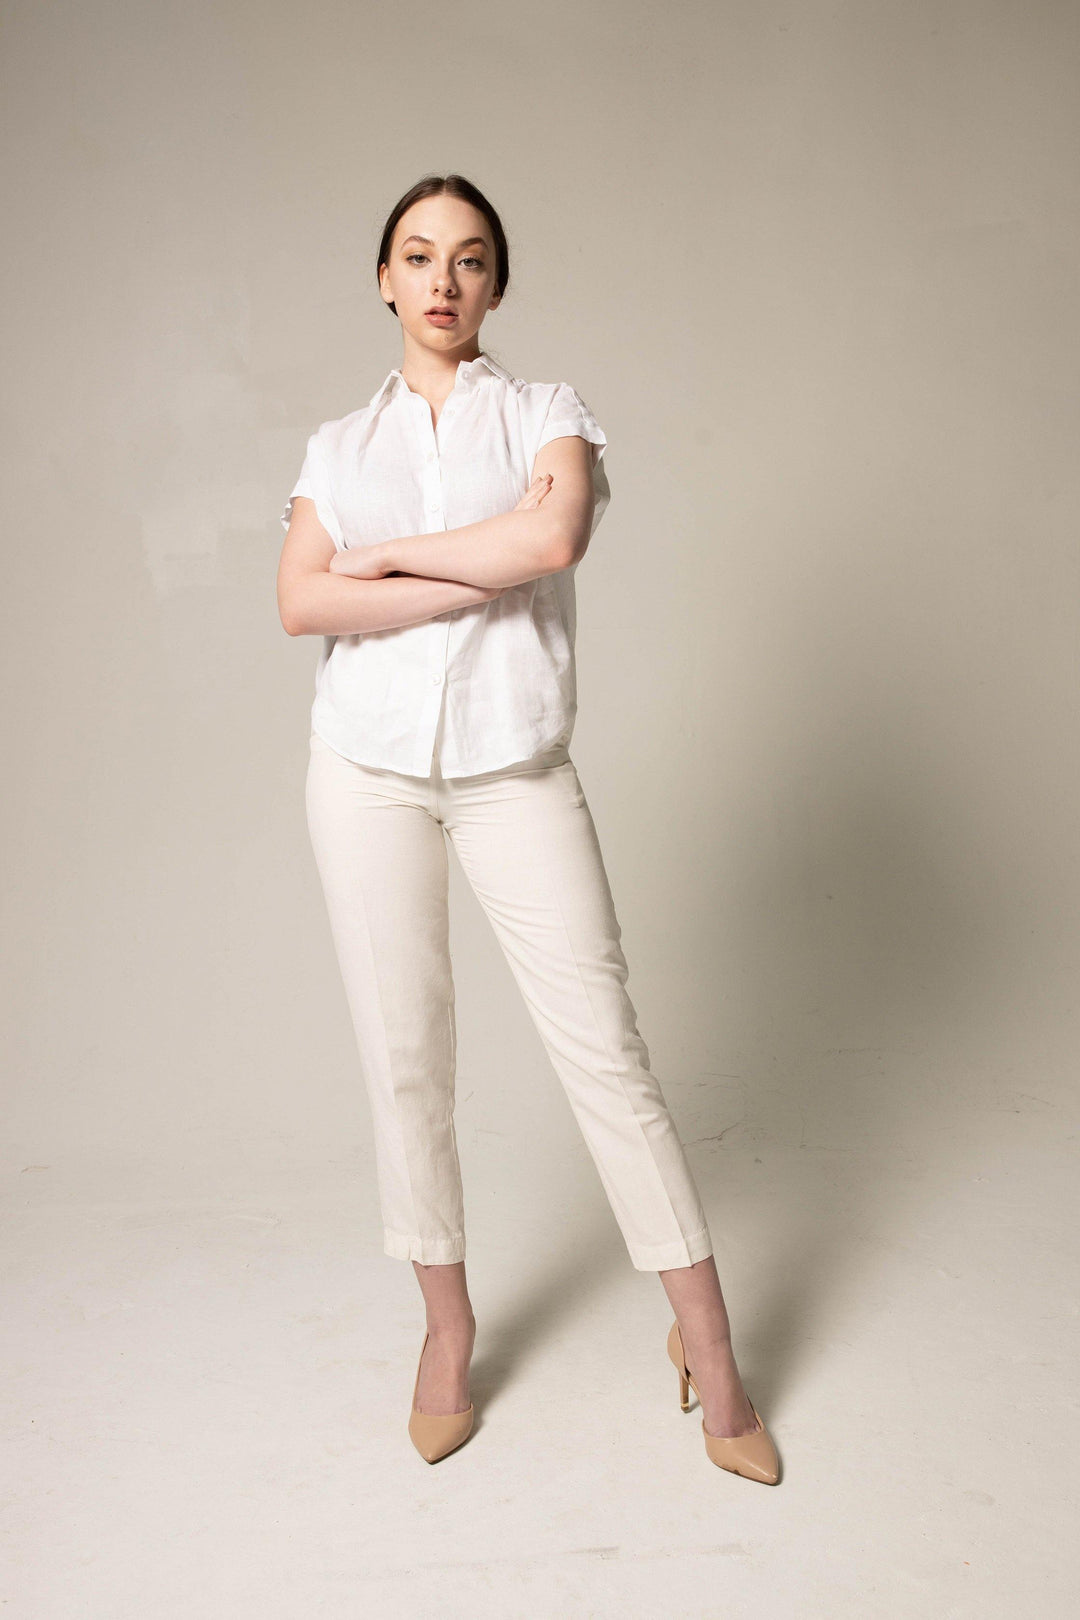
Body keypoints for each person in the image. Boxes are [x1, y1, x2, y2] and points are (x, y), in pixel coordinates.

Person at [276, 173, 779, 1484]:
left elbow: (551, 541)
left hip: (516, 769)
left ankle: (710, 1346)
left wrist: (382, 560)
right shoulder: (336, 446)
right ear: (384, 279)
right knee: (405, 1057)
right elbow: (302, 604)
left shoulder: (550, 415)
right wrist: (452, 566)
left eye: (470, 258)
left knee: (607, 1054)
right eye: (418, 255)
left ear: (497, 284)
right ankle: (447, 1330)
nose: (443, 279)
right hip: (365, 774)